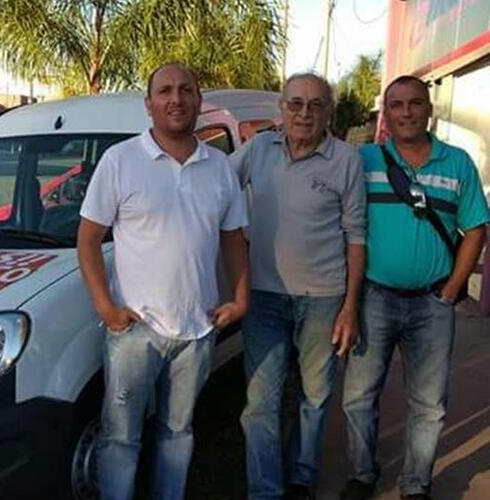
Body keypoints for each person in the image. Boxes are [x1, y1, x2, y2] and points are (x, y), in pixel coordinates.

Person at [77, 62, 250, 500]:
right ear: (149, 104)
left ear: (199, 100)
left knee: (178, 433)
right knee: (121, 439)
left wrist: (240, 298)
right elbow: (89, 238)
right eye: (165, 91)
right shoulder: (120, 161)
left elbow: (233, 240)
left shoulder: (219, 167)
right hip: (135, 330)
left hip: (197, 330)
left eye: (186, 90)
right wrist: (105, 307)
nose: (176, 99)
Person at [341, 75, 490, 500]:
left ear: (430, 110)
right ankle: (362, 474)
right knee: (357, 397)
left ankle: (415, 483)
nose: (406, 112)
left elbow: (476, 228)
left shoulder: (457, 162)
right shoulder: (363, 160)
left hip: (432, 304)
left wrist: (452, 290)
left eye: (414, 104)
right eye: (397, 105)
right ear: (384, 114)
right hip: (373, 298)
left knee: (428, 405)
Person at [229, 72, 366, 500]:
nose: (304, 113)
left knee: (315, 395)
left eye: (316, 104)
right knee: (260, 405)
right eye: (296, 103)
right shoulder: (257, 150)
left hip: (324, 298)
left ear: (329, 113)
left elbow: (356, 235)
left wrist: (350, 307)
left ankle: (301, 476)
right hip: (264, 297)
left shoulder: (346, 160)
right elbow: (212, 192)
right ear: (281, 109)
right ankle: (265, 491)